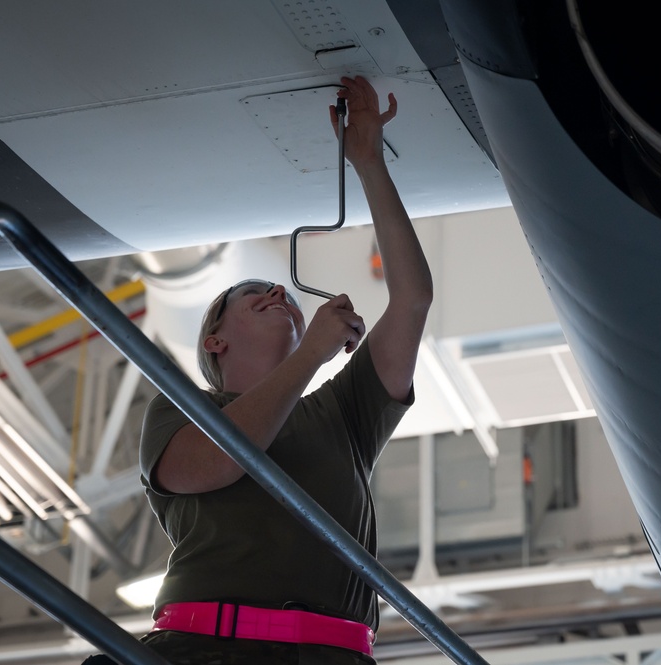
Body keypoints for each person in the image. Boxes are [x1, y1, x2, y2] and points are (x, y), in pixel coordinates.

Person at [134, 75, 432, 664]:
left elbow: (412, 301)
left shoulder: (343, 414)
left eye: (282, 295)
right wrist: (309, 355)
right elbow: (215, 463)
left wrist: (368, 162)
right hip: (205, 649)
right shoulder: (180, 407)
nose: (276, 288)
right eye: (251, 293)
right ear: (214, 340)